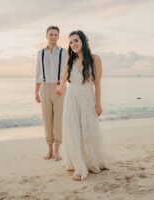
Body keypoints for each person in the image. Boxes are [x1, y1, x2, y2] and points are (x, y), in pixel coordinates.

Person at [56, 30, 109, 181]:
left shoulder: (95, 59)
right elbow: (63, 80)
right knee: (73, 131)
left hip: (87, 98)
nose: (73, 44)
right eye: (71, 42)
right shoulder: (70, 61)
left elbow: (97, 84)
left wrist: (98, 104)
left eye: (76, 40)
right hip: (71, 99)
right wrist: (59, 89)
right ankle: (79, 166)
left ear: (83, 41)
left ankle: (93, 160)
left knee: (88, 130)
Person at [35, 26, 67, 161]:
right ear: (46, 36)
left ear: (58, 37)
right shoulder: (40, 53)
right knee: (47, 119)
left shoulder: (64, 52)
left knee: (58, 119)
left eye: (55, 34)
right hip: (45, 87)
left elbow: (66, 72)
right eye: (51, 34)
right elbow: (38, 73)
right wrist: (36, 92)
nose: (53, 36)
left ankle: (57, 151)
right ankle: (49, 151)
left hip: (59, 87)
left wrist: (61, 86)